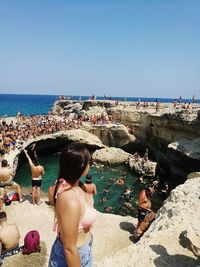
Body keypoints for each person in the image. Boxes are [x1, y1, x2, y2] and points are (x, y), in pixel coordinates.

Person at [49, 142, 98, 267]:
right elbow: (70, 248)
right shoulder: (69, 199)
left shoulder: (75, 186)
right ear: (81, 165)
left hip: (83, 250)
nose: (90, 165)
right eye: (89, 162)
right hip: (74, 256)